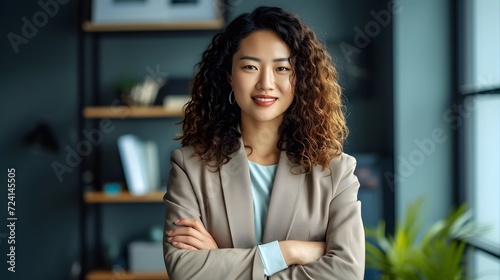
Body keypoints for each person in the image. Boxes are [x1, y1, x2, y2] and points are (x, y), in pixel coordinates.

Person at [163, 6, 365, 280]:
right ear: (229, 75)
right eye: (250, 67)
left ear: (300, 78)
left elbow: (347, 273)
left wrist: (221, 262)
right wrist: (288, 252)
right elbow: (185, 271)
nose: (266, 83)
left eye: (282, 68)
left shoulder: (337, 171)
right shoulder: (189, 166)